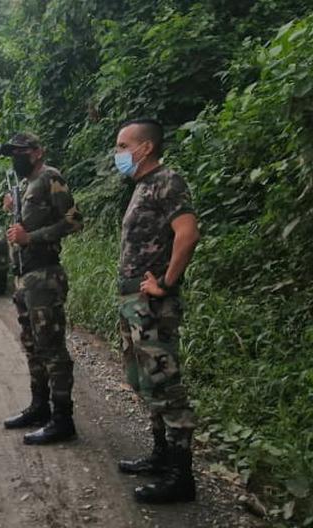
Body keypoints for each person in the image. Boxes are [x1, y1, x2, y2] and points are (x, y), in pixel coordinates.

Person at [114, 119, 200, 504]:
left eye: (122, 146)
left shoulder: (168, 181)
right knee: (144, 381)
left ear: (144, 148)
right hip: (133, 303)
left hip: (153, 305)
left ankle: (181, 477)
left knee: (166, 386)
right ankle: (161, 456)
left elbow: (187, 233)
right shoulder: (142, 186)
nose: (118, 154)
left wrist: (166, 282)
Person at [0, 132, 83, 445]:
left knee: (51, 348)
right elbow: (25, 225)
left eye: (20, 151)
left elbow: (74, 221)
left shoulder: (51, 178)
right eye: (12, 152)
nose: (15, 157)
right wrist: (12, 210)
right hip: (25, 276)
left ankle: (63, 419)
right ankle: (40, 407)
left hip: (45, 275)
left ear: (37, 152)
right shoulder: (24, 185)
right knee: (32, 344)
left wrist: (31, 238)